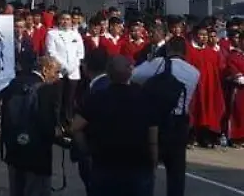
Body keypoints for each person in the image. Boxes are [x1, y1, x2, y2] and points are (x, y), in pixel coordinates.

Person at [71, 56, 157, 196]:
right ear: (130, 73)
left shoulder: (97, 98)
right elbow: (152, 134)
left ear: (109, 74)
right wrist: (153, 160)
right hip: (138, 163)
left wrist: (86, 150)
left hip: (104, 163)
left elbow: (76, 127)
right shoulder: (144, 97)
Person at [132, 37, 199, 196]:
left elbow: (134, 75)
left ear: (168, 49)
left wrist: (153, 59)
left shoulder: (159, 63)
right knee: (176, 170)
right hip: (179, 121)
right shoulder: (194, 72)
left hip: (156, 121)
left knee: (147, 165)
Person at [0, 55, 62, 196]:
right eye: (56, 72)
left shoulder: (14, 82)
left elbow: (4, 113)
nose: (58, 77)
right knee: (37, 190)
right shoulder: (45, 89)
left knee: (16, 190)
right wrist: (57, 134)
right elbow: (46, 124)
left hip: (14, 147)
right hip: (36, 154)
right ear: (45, 70)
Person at [45, 12, 84, 121]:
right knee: (57, 100)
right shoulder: (52, 33)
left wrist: (72, 66)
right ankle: (56, 123)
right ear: (59, 20)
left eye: (68, 19)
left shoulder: (76, 34)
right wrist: (63, 66)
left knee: (70, 100)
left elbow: (80, 53)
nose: (65, 21)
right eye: (63, 19)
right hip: (58, 71)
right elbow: (51, 52)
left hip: (73, 72)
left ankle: (68, 122)